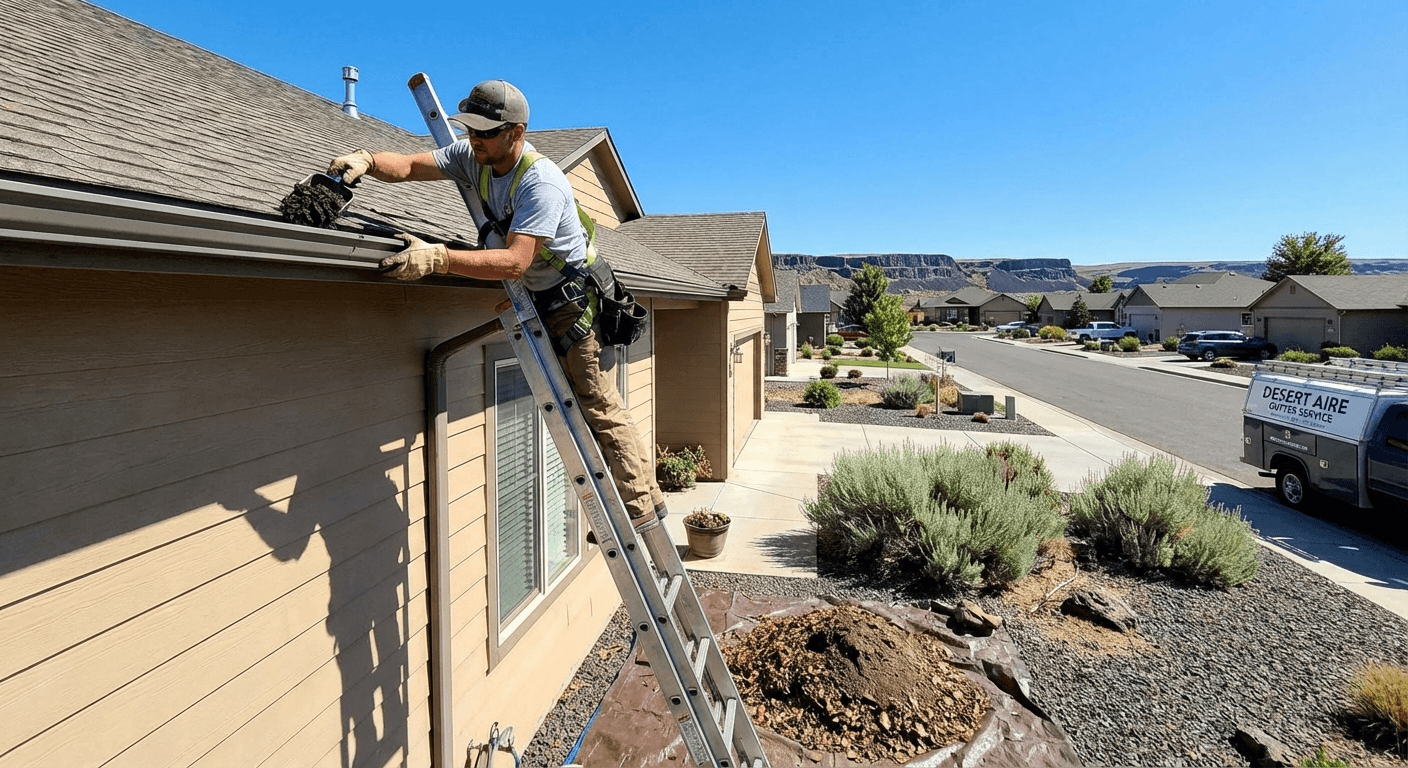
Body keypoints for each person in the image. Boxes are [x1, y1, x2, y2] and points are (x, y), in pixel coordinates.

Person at [328, 79, 665, 528]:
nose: (475, 139)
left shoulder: (540, 182)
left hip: (572, 299)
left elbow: (513, 261)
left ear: (516, 132)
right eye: (471, 129)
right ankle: (635, 503)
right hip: (538, 292)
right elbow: (409, 165)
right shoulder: (474, 156)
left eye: (486, 132)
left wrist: (439, 258)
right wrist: (366, 160)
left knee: (596, 402)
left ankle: (641, 511)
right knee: (581, 402)